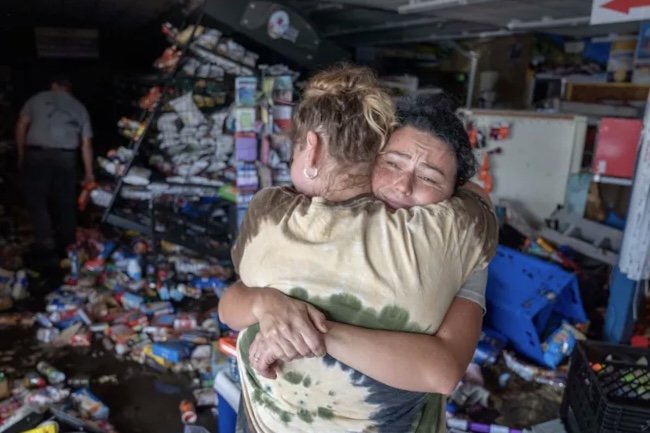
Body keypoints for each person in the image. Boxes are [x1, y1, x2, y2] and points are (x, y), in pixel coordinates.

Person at [219, 64, 498, 433]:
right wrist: (266, 304)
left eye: (430, 177)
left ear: (454, 194)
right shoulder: (306, 218)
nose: (402, 185)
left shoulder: (457, 245)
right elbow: (233, 304)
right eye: (392, 163)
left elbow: (443, 371)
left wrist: (311, 332)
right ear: (370, 160)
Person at [15, 77, 95, 263]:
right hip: (66, 157)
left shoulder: (37, 98)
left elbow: (21, 125)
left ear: (54, 86)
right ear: (69, 90)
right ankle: (68, 245)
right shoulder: (79, 106)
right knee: (66, 201)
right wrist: (89, 173)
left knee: (37, 201)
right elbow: (86, 144)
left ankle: (46, 244)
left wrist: (20, 154)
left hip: (37, 155)